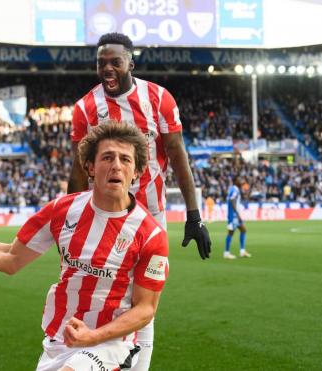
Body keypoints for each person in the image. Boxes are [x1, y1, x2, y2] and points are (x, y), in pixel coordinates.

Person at [0, 123, 169, 370]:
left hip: (110, 344)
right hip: (60, 341)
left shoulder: (150, 235)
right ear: (90, 167)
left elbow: (145, 308)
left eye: (125, 159)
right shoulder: (61, 211)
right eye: (107, 157)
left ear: (137, 171)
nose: (116, 165)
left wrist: (93, 336)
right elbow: (11, 259)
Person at [67, 32, 210, 370]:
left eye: (115, 61)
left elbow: (177, 155)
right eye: (101, 63)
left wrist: (194, 215)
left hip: (150, 219)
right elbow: (78, 168)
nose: (108, 69)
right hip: (105, 217)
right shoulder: (85, 108)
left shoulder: (159, 99)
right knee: (105, 294)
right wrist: (70, 217)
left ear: (131, 61)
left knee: (144, 298)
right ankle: (102, 358)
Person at [224, 176, 251, 259]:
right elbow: (232, 200)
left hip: (234, 215)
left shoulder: (234, 189)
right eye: (240, 179)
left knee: (243, 230)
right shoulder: (235, 189)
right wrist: (237, 214)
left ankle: (242, 251)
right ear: (235, 181)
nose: (241, 181)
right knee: (230, 233)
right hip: (233, 216)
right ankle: (227, 253)